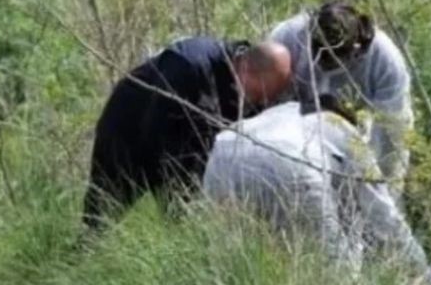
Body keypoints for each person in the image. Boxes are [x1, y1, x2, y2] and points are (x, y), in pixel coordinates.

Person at [202, 99, 431, 285]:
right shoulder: (345, 130)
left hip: (223, 152)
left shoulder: (284, 111)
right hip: (291, 159)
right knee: (336, 278)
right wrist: (424, 273)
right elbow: (383, 214)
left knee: (234, 263)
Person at [82, 38, 292, 230]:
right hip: (130, 127)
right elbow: (161, 136)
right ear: (245, 68)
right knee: (102, 217)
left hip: (182, 143)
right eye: (261, 94)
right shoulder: (189, 64)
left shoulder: (249, 81)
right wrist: (181, 194)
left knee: (187, 224)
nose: (263, 102)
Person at [267, 0, 412, 186]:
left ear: (356, 49)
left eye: (332, 61)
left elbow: (392, 132)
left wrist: (381, 184)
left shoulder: (386, 61)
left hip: (352, 129)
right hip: (292, 122)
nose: (324, 65)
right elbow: (262, 95)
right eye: (319, 55)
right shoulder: (288, 36)